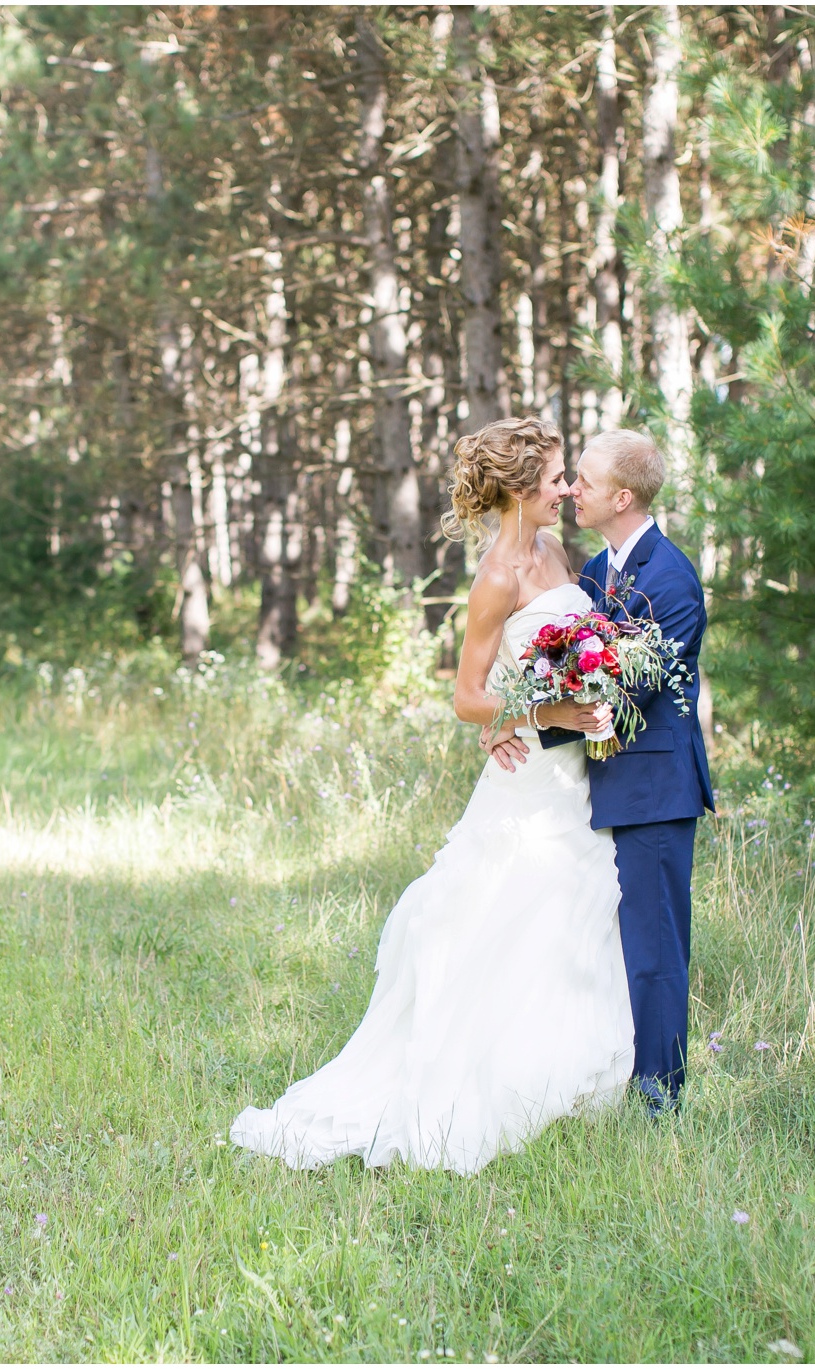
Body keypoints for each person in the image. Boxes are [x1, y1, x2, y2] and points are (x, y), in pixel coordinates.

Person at [229, 417, 636, 1175]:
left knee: (574, 917)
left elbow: (560, 657)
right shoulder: (496, 579)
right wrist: (546, 714)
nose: (568, 490)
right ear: (521, 486)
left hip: (579, 775)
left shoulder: (556, 551)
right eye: (555, 478)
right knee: (512, 918)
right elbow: (467, 697)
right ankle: (488, 1083)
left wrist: (588, 692)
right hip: (530, 783)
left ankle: (571, 1079)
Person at [490, 429, 715, 1113]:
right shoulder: (596, 570)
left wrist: (531, 710)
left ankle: (660, 1095)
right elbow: (559, 652)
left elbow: (624, 688)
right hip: (595, 783)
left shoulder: (672, 580)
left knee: (653, 948)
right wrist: (505, 713)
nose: (571, 490)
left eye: (582, 480)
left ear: (621, 496)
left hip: (652, 790)